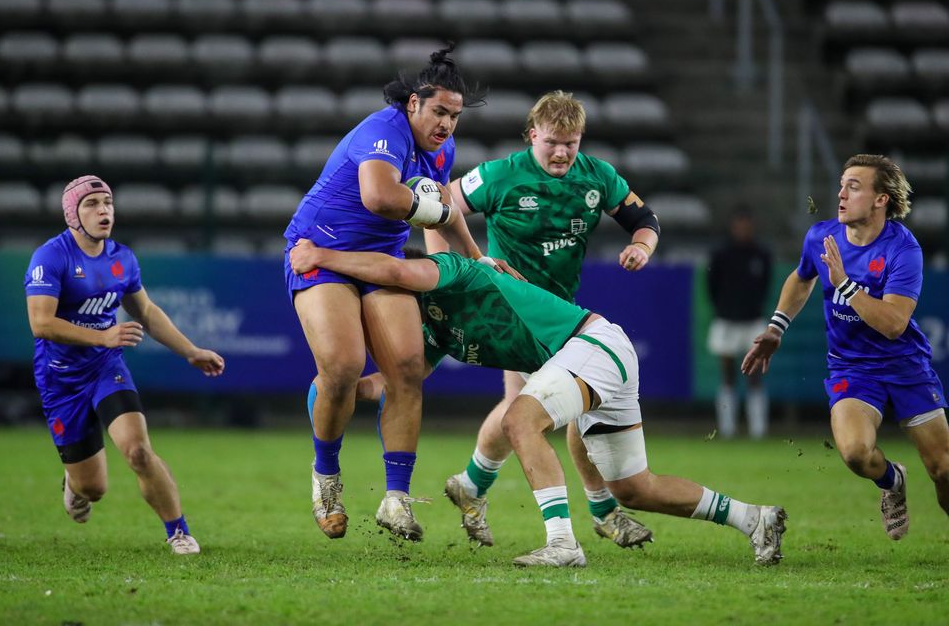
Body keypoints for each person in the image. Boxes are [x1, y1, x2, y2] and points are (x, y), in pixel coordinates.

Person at [289, 239, 788, 567]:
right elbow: (400, 382)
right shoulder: (430, 328)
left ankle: (562, 544)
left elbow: (394, 267)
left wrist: (322, 258)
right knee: (636, 489)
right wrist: (343, 386)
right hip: (597, 355)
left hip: (592, 344)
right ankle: (754, 518)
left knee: (519, 419)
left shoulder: (450, 270)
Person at [423, 90, 661, 548]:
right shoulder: (500, 175)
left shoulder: (598, 177)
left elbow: (645, 217)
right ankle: (603, 510)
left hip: (560, 313)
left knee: (528, 410)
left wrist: (641, 246)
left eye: (571, 143)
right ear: (532, 135)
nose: (561, 152)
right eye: (552, 141)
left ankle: (471, 485)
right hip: (513, 312)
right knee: (567, 407)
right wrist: (444, 273)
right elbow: (438, 211)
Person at [283, 44, 497, 542]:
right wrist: (434, 210)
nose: (446, 123)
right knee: (342, 366)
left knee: (405, 367)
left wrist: (473, 258)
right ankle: (326, 480)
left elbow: (442, 206)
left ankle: (396, 500)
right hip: (320, 252)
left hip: (382, 262)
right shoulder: (383, 132)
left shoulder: (441, 148)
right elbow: (379, 198)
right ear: (412, 104)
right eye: (439, 111)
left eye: (455, 115)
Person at [743, 154, 948, 541]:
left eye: (853, 187)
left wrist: (846, 285)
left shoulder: (904, 250)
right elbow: (802, 278)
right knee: (855, 453)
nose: (840, 194)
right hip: (852, 368)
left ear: (880, 199)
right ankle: (892, 481)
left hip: (905, 365)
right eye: (841, 185)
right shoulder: (821, 237)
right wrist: (776, 326)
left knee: (944, 470)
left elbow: (893, 324)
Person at [25, 175, 225, 554]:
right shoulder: (51, 257)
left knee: (137, 450)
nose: (104, 211)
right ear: (72, 214)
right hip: (60, 379)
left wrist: (190, 351)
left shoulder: (122, 259)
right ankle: (74, 482)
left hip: (105, 368)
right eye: (92, 204)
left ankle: (178, 532)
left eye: (108, 202)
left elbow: (146, 311)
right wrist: (102, 335)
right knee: (93, 489)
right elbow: (41, 323)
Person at [707, 205, 772, 438]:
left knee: (755, 375)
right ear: (733, 226)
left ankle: (758, 430)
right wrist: (723, 309)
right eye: (739, 224)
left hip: (753, 322)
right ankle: (727, 429)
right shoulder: (721, 254)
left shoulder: (761, 254)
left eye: (747, 224)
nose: (743, 228)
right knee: (727, 375)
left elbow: (765, 285)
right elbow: (711, 286)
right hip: (726, 321)